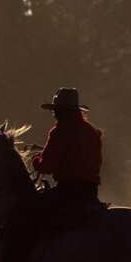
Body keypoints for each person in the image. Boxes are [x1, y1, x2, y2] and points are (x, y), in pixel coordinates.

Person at [33, 88, 103, 225]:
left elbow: (46, 166)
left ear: (61, 111)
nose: (53, 113)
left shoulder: (60, 131)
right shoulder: (91, 131)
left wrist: (36, 161)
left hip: (68, 192)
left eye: (56, 109)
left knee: (31, 209)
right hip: (90, 192)